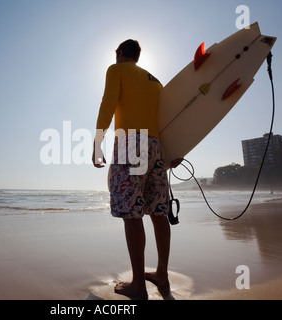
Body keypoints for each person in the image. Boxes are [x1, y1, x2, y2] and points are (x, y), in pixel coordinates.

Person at [92, 39, 177, 300]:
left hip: (130, 142)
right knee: (158, 211)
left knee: (132, 213)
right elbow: (168, 117)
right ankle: (161, 274)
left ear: (119, 54)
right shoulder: (155, 80)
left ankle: (138, 286)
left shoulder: (115, 70)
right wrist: (172, 152)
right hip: (155, 146)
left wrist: (97, 141)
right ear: (138, 57)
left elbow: (108, 103)